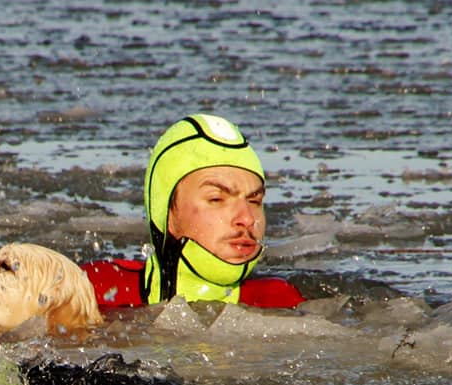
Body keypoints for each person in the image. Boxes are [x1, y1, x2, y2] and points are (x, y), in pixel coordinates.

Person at [83, 113, 306, 309]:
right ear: (168, 215)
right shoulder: (94, 290)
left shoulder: (279, 302)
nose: (247, 219)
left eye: (254, 201)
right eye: (217, 199)